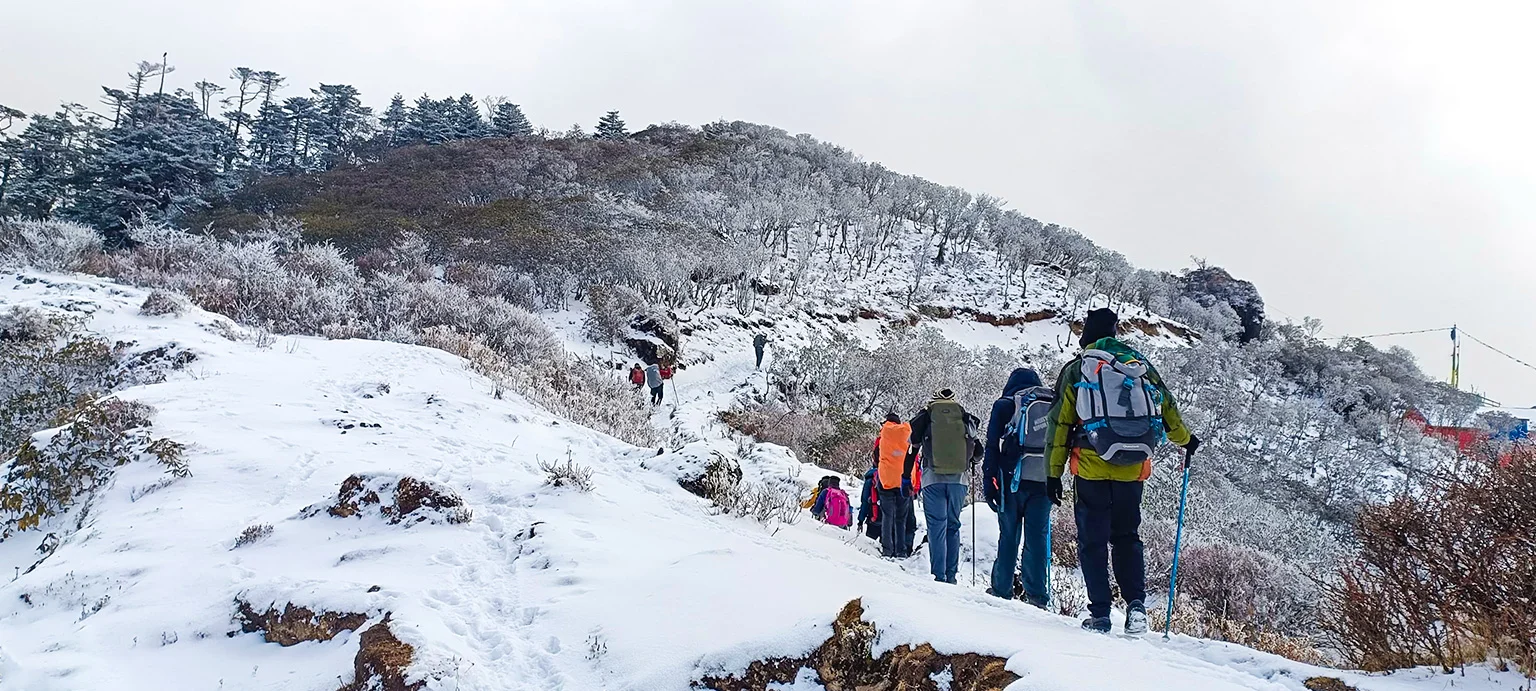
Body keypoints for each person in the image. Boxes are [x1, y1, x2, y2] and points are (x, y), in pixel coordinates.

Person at [1046, 308, 1200, 635]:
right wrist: (1186, 441)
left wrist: (1052, 473)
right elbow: (1168, 408)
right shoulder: (1139, 366)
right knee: (1127, 536)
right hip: (1133, 467)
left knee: (1093, 541)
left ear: (1087, 334)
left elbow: (1059, 424)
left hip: (1090, 466)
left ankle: (1100, 614)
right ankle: (1136, 608)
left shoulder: (1078, 370)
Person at [983, 367, 1055, 609]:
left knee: (1009, 536)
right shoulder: (1051, 402)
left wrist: (988, 481)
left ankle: (1001, 590)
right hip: (1044, 481)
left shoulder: (1005, 405)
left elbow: (992, 445)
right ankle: (1037, 597)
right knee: (1037, 539)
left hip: (1011, 480)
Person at [903, 389, 982, 583]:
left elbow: (912, 451)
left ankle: (939, 575)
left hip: (932, 480)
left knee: (936, 527)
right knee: (953, 526)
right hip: (958, 481)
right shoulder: (963, 417)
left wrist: (905, 477)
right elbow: (979, 452)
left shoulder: (927, 417)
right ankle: (952, 576)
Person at [874, 412, 914, 558]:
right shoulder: (906, 432)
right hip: (904, 479)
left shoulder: (884, 434)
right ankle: (901, 550)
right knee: (901, 517)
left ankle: (887, 549)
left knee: (887, 515)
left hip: (886, 480)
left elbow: (876, 456)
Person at [857, 463, 881, 541]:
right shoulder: (890, 477)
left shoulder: (869, 481)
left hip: (874, 518)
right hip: (890, 519)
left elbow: (864, 502)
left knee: (870, 545)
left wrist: (861, 521)